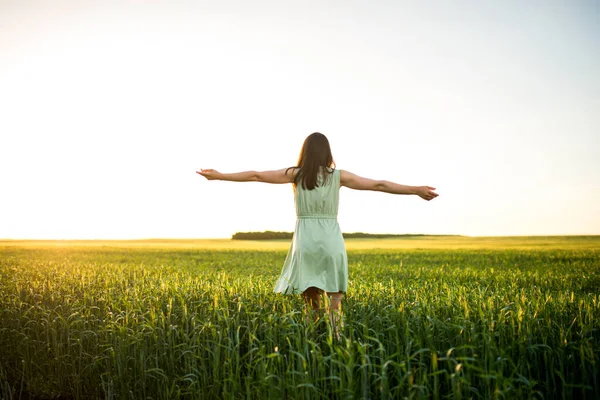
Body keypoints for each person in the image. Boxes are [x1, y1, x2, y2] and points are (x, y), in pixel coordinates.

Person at [196, 132, 438, 338]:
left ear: (306, 152)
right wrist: (415, 190)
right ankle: (337, 342)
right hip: (331, 240)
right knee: (335, 302)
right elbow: (379, 185)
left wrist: (219, 176)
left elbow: (256, 175)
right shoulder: (338, 176)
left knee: (312, 305)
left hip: (306, 241)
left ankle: (312, 346)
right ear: (328, 153)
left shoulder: (296, 174)